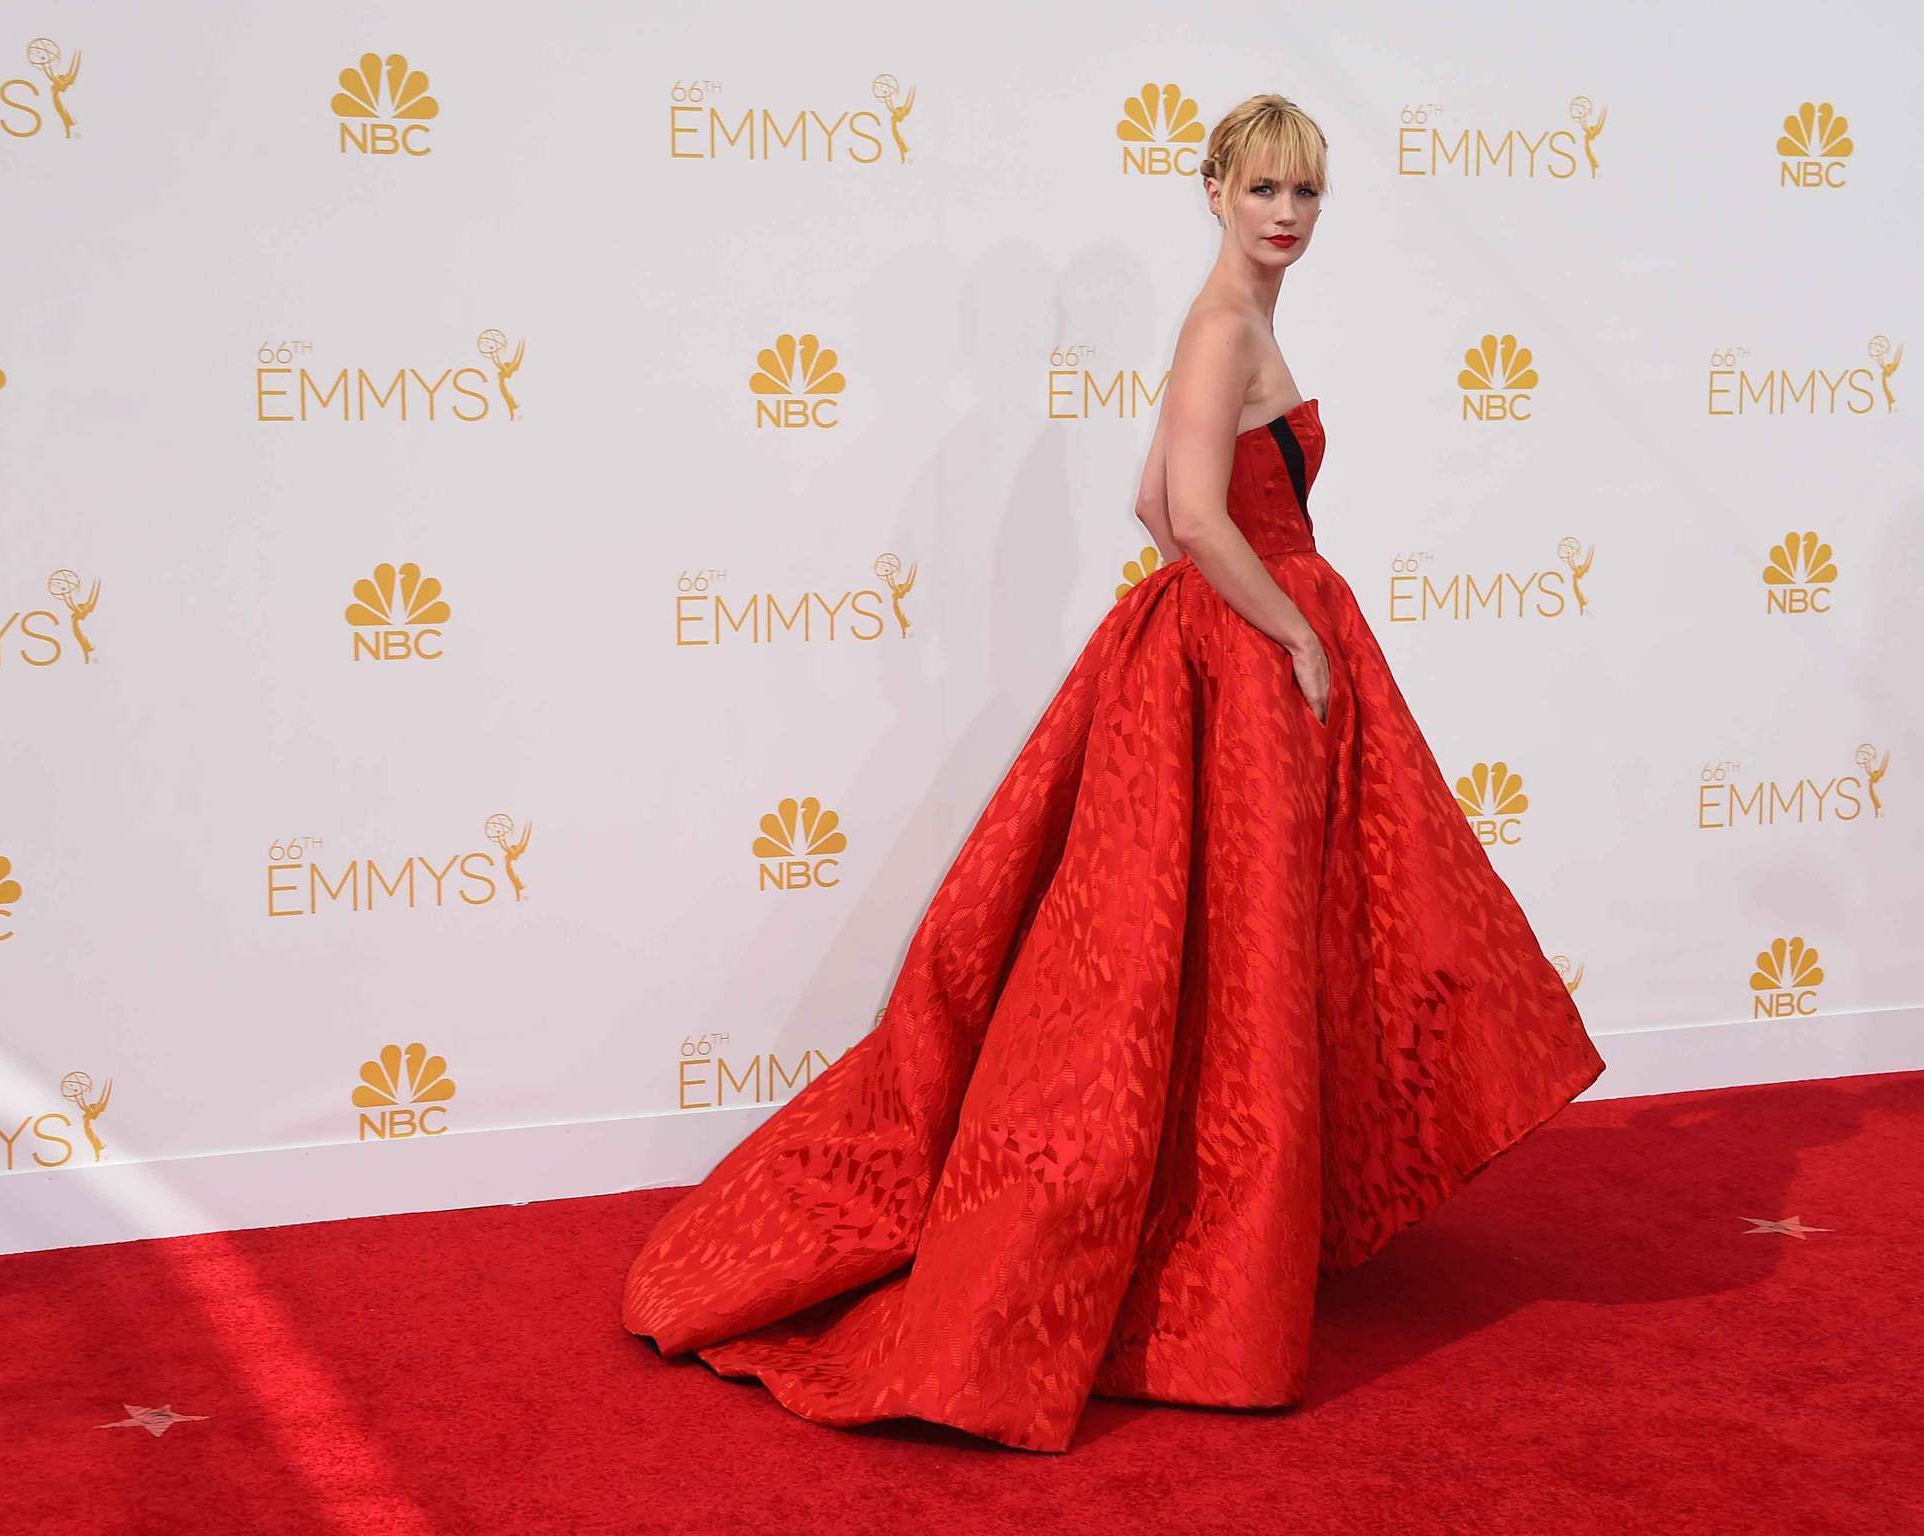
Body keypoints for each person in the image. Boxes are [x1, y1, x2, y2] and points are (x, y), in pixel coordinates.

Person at [622, 93, 1606, 1454]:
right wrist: (1290, 637)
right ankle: (1199, 1259)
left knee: (1244, 952)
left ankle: (1246, 1219)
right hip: (1246, 656)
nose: (1286, 216)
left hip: (1221, 648)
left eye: (1306, 195)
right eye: (1263, 189)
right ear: (1212, 189)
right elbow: (1191, 513)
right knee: (1224, 955)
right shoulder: (1221, 326)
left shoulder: (1242, 320)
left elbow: (1154, 503)